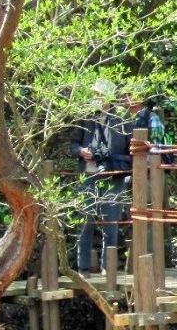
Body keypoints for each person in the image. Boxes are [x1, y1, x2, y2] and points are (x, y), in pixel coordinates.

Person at [73, 80, 128, 277]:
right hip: (88, 173)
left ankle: (108, 266)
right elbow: (72, 144)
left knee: (110, 221)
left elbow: (130, 148)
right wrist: (81, 151)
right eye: (94, 94)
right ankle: (83, 267)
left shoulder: (121, 116)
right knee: (85, 218)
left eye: (99, 94)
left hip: (113, 175)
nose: (96, 98)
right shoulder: (85, 116)